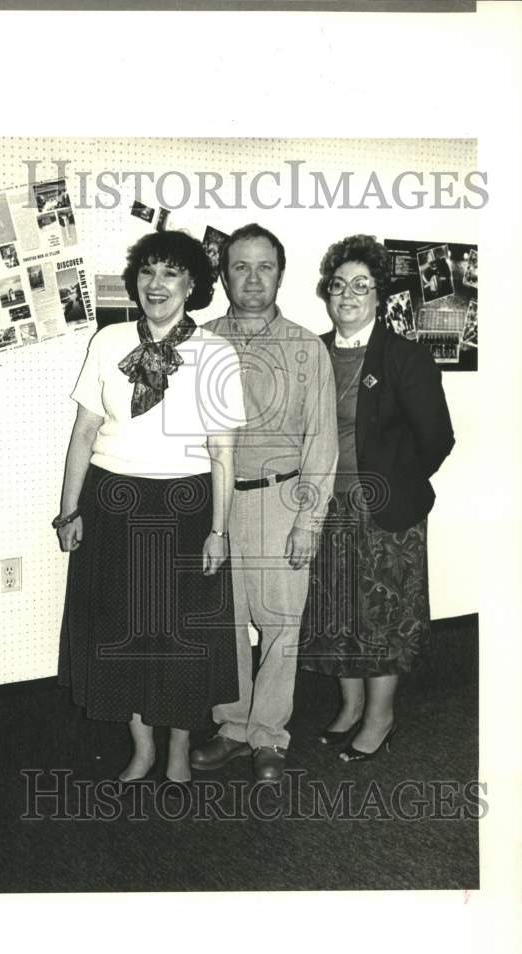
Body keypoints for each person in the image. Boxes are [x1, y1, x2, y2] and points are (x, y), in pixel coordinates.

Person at [56, 230, 245, 787]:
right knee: (124, 633)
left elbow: (222, 452)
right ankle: (140, 747)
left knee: (182, 638)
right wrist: (69, 512)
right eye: (147, 272)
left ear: (192, 284)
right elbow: (83, 432)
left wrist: (219, 531)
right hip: (113, 504)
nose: (156, 285)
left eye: (170, 273)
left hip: (187, 508)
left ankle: (180, 750)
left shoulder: (215, 352)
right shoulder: (109, 342)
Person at [190, 224, 338, 784]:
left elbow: (322, 440)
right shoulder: (198, 341)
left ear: (280, 272)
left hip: (282, 499)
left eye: (264, 267)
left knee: (281, 624)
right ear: (223, 274)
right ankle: (230, 728)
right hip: (218, 505)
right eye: (240, 267)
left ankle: (269, 738)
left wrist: (309, 521)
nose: (252, 278)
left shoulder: (305, 347)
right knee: (223, 621)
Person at [299, 234, 454, 760]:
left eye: (360, 285)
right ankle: (348, 707)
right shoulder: (315, 353)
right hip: (325, 509)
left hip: (384, 511)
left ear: (378, 295)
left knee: (382, 618)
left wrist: (395, 480)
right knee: (337, 614)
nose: (347, 295)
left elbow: (437, 437)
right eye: (338, 285)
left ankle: (380, 717)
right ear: (326, 292)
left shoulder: (403, 355)